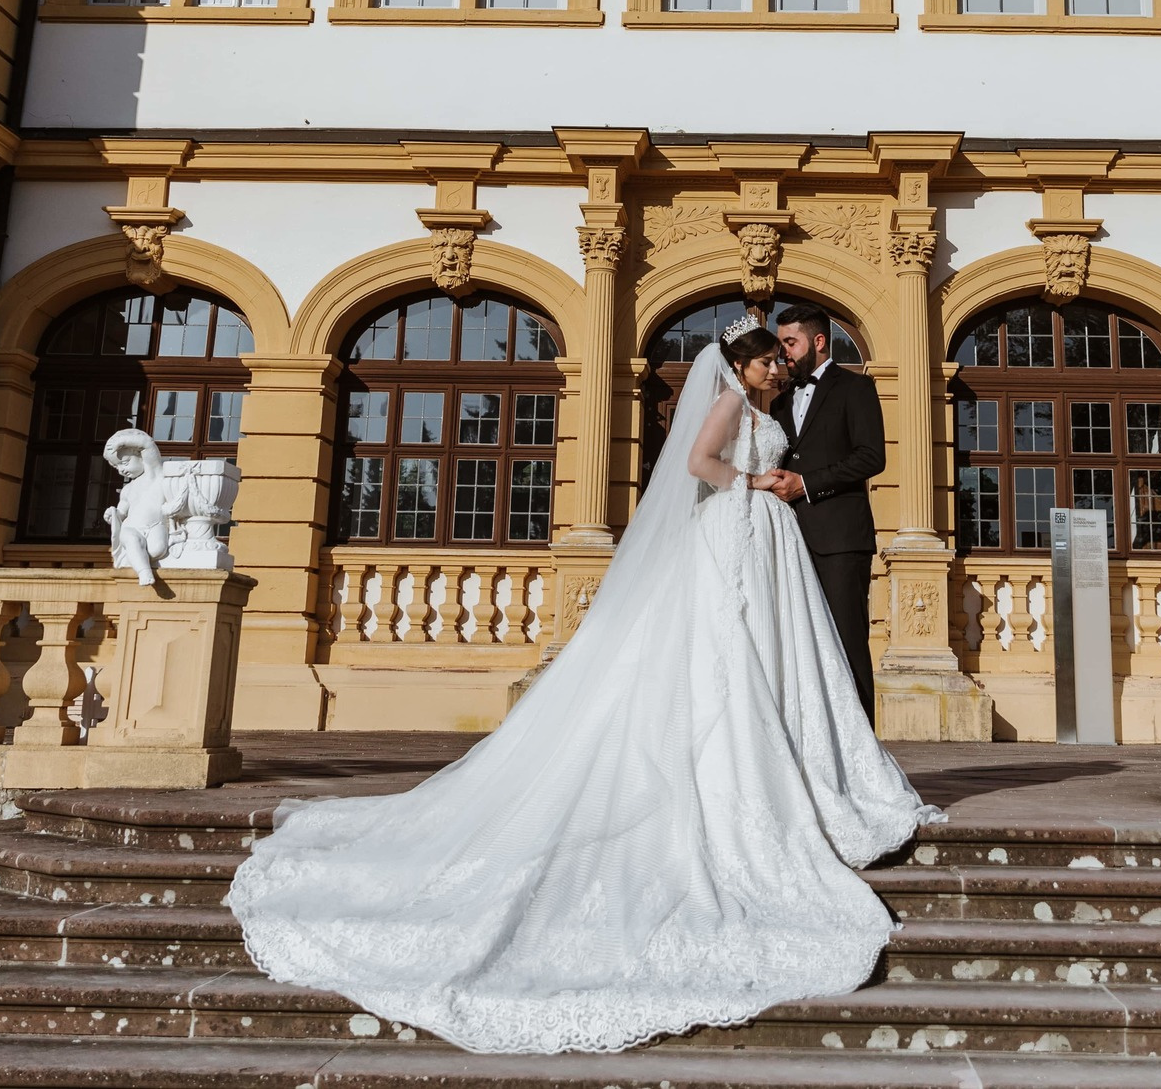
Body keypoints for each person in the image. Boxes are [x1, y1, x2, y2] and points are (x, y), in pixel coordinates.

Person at [228, 315, 940, 1055]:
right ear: (747, 363)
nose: (780, 370)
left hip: (764, 541)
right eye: (770, 360)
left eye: (782, 359)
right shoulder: (732, 400)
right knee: (725, 658)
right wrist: (753, 480)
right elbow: (698, 461)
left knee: (769, 659)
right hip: (735, 530)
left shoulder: (773, 403)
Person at [768, 303, 885, 721]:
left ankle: (863, 748)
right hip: (788, 538)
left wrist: (807, 484)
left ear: (817, 341)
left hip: (840, 539)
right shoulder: (778, 404)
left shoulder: (856, 389)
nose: (783, 353)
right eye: (781, 344)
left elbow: (871, 457)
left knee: (847, 640)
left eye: (790, 342)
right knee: (799, 642)